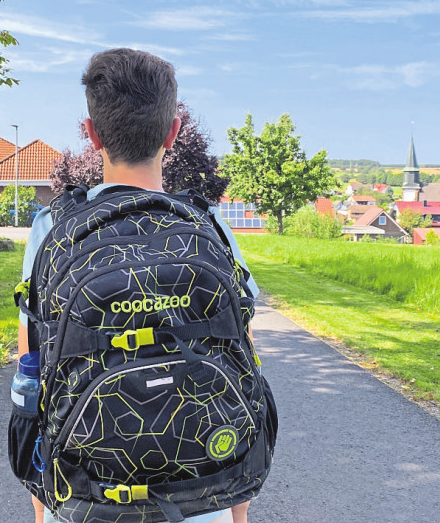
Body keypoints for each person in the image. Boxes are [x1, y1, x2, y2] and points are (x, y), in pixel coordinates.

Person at [17, 48, 259, 523]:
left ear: (91, 134)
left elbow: (34, 370)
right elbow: (243, 361)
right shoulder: (210, 229)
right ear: (173, 131)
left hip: (85, 495)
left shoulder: (54, 229)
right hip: (201, 492)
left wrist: (46, 508)